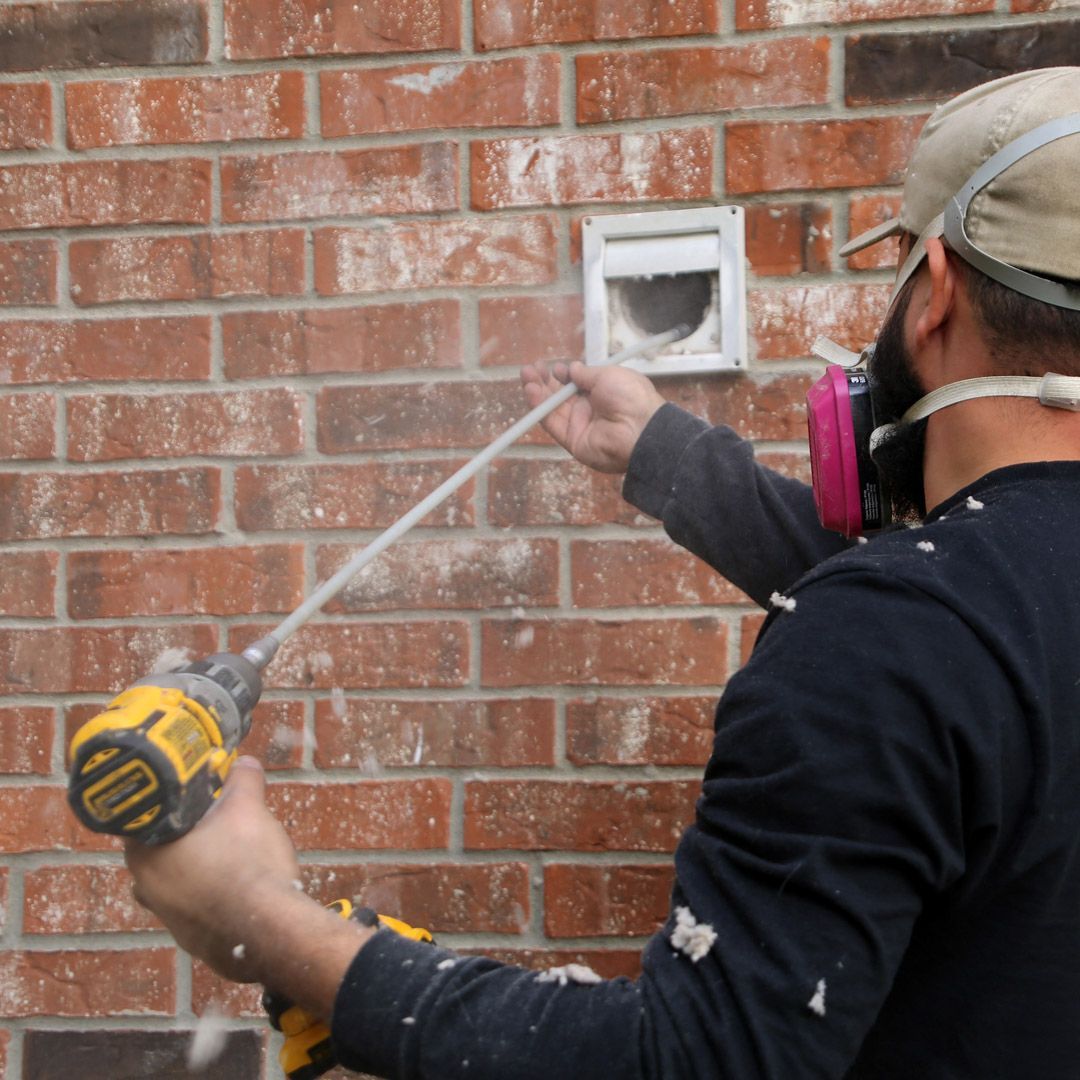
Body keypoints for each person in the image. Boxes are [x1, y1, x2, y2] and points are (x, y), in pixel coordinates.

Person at [126, 68, 1080, 1078]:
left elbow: (690, 1065)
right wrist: (669, 455)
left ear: (932, 295)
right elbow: (988, 639)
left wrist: (267, 926)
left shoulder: (898, 639)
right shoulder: (940, 633)